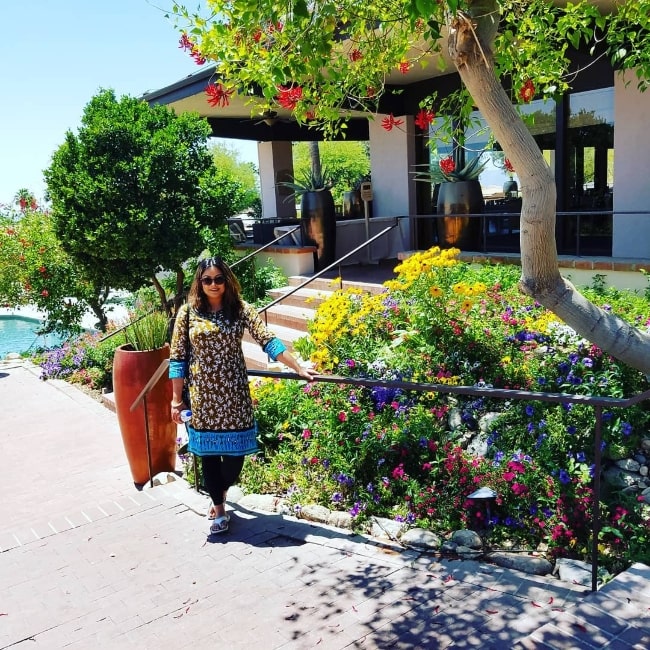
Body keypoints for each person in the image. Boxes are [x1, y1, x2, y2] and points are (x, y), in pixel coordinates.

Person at [168, 256, 317, 535]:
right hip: (203, 399)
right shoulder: (188, 313)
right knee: (209, 457)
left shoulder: (240, 310)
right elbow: (177, 358)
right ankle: (220, 510)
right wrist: (177, 399)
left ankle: (219, 492)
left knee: (235, 459)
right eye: (207, 280)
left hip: (235, 397)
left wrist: (298, 367)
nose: (213, 284)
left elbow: (268, 340)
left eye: (218, 279)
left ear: (227, 280)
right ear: (199, 283)